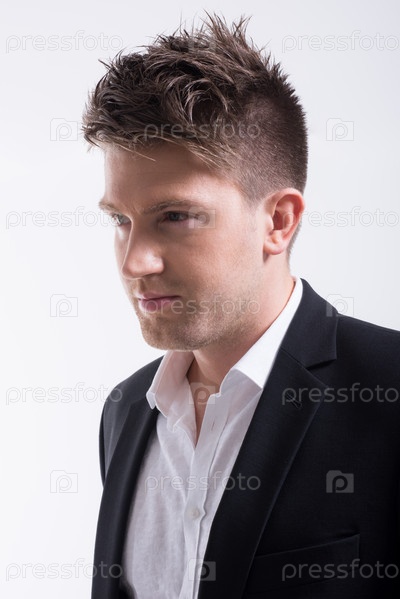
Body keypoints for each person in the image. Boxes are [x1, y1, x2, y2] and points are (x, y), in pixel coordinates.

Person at [82, 13, 400, 599]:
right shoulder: (124, 410)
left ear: (278, 221)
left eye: (175, 216)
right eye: (120, 220)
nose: (134, 262)